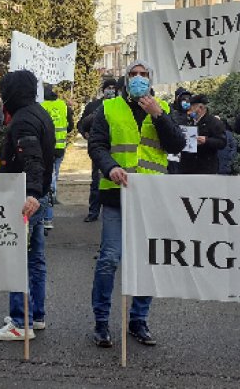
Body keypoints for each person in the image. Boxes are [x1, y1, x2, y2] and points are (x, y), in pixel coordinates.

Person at [87, 61, 186, 348]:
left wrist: (158, 115)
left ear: (151, 79)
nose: (139, 78)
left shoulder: (162, 108)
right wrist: (110, 168)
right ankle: (102, 322)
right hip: (116, 195)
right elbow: (97, 145)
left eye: (144, 75)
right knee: (109, 259)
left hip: (151, 197)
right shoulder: (109, 108)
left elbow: (176, 145)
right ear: (126, 79)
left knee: (147, 260)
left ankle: (139, 320)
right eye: (134, 74)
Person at [0, 69, 55, 341]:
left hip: (26, 200)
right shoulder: (39, 112)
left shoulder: (23, 121)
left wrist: (32, 194)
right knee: (36, 260)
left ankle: (20, 322)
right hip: (38, 197)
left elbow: (33, 160)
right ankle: (35, 315)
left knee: (18, 260)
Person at [77, 78, 119, 222]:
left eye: (113, 88)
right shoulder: (94, 106)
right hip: (99, 149)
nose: (111, 91)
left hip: (117, 149)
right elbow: (81, 123)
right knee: (96, 181)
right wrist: (86, 134)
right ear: (103, 90)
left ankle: (113, 210)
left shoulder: (120, 105)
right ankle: (93, 211)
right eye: (108, 88)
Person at [40, 84, 73, 226]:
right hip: (60, 147)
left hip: (46, 148)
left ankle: (48, 213)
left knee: (48, 178)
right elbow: (70, 126)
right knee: (54, 175)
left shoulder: (41, 106)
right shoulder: (63, 105)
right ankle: (52, 197)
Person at [178, 94, 226, 175]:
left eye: (192, 107)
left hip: (205, 167)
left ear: (200, 108)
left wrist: (206, 140)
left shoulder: (214, 122)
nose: (189, 109)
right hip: (186, 167)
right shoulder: (186, 121)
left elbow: (222, 142)